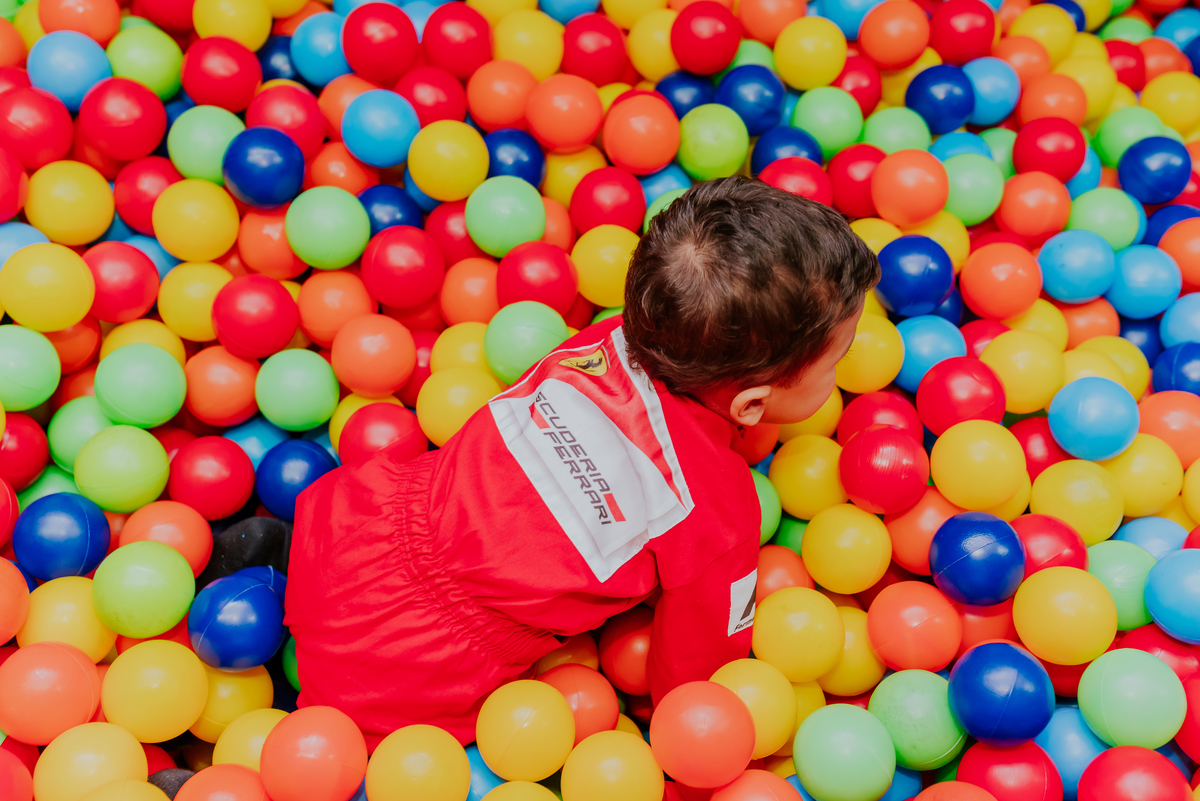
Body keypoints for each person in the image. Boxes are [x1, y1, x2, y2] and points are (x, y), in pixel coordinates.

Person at [285, 176, 881, 749]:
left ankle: (265, 563)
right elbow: (694, 669)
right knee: (340, 755)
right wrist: (662, 731)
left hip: (345, 535)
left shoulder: (599, 342)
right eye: (838, 358)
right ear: (752, 404)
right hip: (408, 656)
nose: (843, 369)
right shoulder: (717, 511)